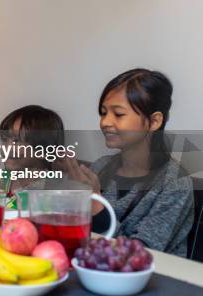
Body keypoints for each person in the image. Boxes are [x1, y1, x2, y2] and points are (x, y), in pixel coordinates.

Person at [63, 68, 194, 256]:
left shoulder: (176, 183)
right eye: (103, 113)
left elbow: (139, 255)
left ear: (154, 121)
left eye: (118, 114)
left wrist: (96, 204)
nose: (105, 122)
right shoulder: (101, 166)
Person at [0, 105, 66, 191]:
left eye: (16, 141)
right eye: (4, 139)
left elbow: (15, 203)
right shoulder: (3, 177)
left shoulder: (52, 188)